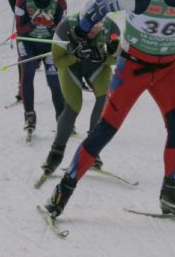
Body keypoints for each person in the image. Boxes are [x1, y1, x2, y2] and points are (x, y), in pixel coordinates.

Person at [44, 0, 175, 219]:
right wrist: (81, 31)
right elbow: (99, 4)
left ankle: (169, 195)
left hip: (168, 70)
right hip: (133, 69)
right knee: (104, 132)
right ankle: (64, 189)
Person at [39, 12, 121, 180]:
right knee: (73, 107)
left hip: (96, 66)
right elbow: (57, 61)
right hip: (71, 66)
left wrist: (105, 57)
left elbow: (117, 59)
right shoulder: (65, 27)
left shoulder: (112, 28)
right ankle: (56, 152)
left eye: (97, 26)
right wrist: (74, 55)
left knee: (104, 99)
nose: (92, 30)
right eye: (88, 25)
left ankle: (92, 150)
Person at [15, 0, 67, 136]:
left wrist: (52, 26)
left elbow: (63, 30)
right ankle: (29, 116)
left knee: (54, 80)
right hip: (28, 41)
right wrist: (34, 23)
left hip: (49, 44)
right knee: (28, 71)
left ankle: (62, 118)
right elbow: (19, 29)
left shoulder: (60, 1)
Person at [6, 0, 32, 102]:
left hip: (43, 22)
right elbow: (15, 8)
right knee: (23, 57)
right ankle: (22, 88)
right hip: (23, 25)